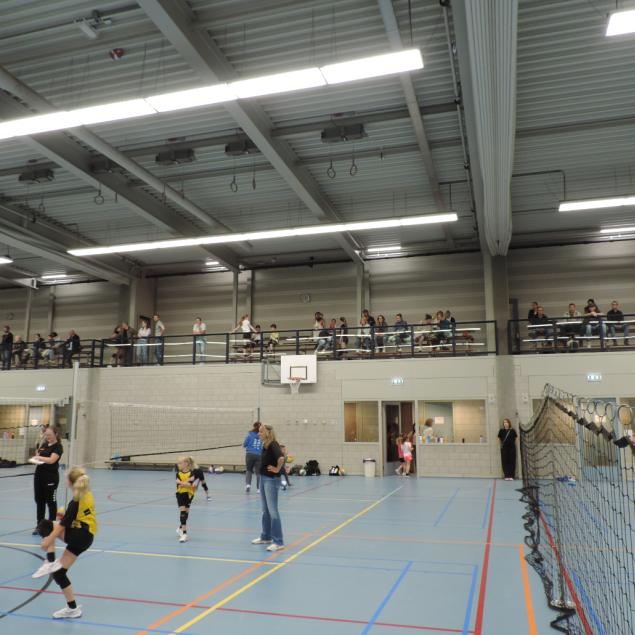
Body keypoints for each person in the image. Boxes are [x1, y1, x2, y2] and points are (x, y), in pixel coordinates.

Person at [31, 466, 97, 620]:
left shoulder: (76, 501)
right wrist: (62, 518)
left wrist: (48, 540)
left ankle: (50, 561)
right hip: (86, 537)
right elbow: (72, 519)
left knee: (45, 525)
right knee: (59, 573)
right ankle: (72, 609)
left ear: (71, 482)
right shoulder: (86, 493)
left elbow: (61, 526)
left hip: (80, 535)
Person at [251, 424, 285, 551]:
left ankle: (278, 542)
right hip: (264, 479)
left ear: (268, 433)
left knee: (273, 511)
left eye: (261, 431)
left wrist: (277, 469)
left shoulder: (273, 444)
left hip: (271, 480)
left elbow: (281, 457)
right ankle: (266, 537)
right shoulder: (265, 445)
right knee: (265, 510)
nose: (258, 433)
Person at [30, 425, 63, 535]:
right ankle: (39, 526)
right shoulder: (44, 444)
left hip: (50, 478)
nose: (48, 437)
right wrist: (35, 458)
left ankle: (51, 526)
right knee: (39, 501)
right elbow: (38, 456)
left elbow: (51, 460)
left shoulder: (58, 447)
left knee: (51, 502)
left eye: (50, 435)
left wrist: (39, 458)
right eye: (46, 435)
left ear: (56, 434)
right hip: (39, 477)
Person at [175, 456, 197, 543]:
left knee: (186, 515)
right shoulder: (178, 474)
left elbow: (190, 485)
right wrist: (187, 483)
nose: (178, 464)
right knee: (183, 513)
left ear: (186, 464)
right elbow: (184, 484)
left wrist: (182, 483)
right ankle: (184, 534)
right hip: (180, 494)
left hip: (189, 495)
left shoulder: (191, 473)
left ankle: (180, 528)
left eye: (180, 463)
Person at [243, 421, 263, 493]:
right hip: (259, 455)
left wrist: (249, 443)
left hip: (250, 454)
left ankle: (248, 485)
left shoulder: (249, 434)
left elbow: (244, 445)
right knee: (258, 473)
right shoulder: (262, 435)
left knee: (249, 470)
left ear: (254, 426)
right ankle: (258, 489)